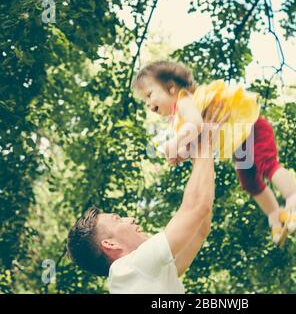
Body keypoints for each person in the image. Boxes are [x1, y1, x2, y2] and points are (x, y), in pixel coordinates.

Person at [132, 60, 296, 247]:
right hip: (239, 143)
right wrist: (179, 154)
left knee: (266, 163)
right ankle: (277, 216)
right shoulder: (179, 118)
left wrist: (176, 143)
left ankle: (295, 198)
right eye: (144, 101)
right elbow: (196, 142)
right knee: (249, 183)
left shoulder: (184, 100)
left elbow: (196, 125)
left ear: (171, 87)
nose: (147, 104)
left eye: (149, 95)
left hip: (251, 128)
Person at [67, 104, 229, 293]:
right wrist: (203, 139)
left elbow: (200, 228)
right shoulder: (128, 268)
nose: (130, 219)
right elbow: (196, 209)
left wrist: (197, 147)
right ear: (110, 244)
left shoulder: (145, 273)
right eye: (117, 219)